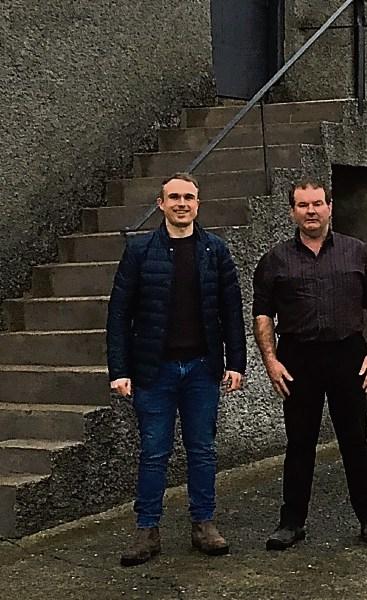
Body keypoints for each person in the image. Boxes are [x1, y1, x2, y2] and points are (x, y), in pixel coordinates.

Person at [106, 172, 246, 567]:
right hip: (154, 371)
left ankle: (204, 524)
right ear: (161, 203)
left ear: (198, 204)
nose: (182, 203)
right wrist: (119, 369)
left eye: (189, 197)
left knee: (202, 451)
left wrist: (236, 362)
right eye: (174, 197)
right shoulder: (139, 252)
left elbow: (231, 311)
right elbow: (119, 313)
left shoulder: (215, 251)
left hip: (202, 369)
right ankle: (147, 530)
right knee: (154, 453)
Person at [253, 178, 367, 550]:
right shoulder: (275, 259)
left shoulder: (356, 251)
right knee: (300, 444)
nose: (310, 211)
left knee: (355, 441)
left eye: (317, 204)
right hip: (297, 357)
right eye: (302, 205)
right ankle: (291, 523)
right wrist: (270, 361)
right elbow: (262, 314)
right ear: (292, 211)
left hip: (347, 354)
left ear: (330, 206)